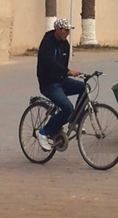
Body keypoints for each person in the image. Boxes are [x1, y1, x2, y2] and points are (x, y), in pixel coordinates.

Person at [35, 18, 83, 150]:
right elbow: (50, 64)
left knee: (85, 87)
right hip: (49, 84)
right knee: (67, 108)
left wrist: (67, 73)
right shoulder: (47, 42)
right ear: (57, 29)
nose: (67, 33)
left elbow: (63, 64)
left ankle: (74, 121)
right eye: (65, 30)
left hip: (62, 80)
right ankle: (43, 132)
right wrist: (67, 71)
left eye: (69, 30)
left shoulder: (65, 44)